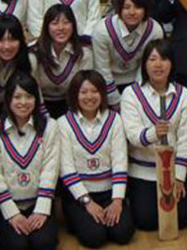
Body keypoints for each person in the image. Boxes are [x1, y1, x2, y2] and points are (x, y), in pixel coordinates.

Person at [120, 39, 187, 231]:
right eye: (152, 59)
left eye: (164, 59)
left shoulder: (184, 94)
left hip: (173, 169)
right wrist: (154, 133)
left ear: (172, 64)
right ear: (144, 64)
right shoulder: (131, 94)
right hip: (143, 169)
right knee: (146, 222)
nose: (158, 64)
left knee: (183, 219)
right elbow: (133, 135)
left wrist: (179, 177)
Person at [58, 70, 135, 248]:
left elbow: (120, 162)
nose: (89, 97)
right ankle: (76, 218)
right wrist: (87, 202)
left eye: (95, 91)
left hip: (109, 192)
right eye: (83, 92)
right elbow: (66, 168)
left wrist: (117, 200)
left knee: (123, 233)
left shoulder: (115, 120)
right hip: (80, 196)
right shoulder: (63, 123)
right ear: (74, 94)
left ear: (102, 93)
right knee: (94, 238)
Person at [0, 73, 59, 250]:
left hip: (38, 202)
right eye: (17, 97)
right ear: (8, 99)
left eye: (29, 96)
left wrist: (41, 209)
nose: (23, 102)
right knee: (17, 246)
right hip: (7, 204)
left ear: (36, 99)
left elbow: (50, 169)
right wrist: (12, 214)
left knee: (44, 243)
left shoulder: (50, 126)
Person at [92, 0, 164, 108]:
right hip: (107, 84)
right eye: (126, 7)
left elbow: (146, 66)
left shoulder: (155, 30)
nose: (132, 12)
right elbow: (102, 69)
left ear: (146, 9)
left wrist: (135, 96)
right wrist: (115, 102)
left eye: (138, 7)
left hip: (138, 82)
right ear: (118, 9)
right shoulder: (102, 30)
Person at [33, 4, 93, 119]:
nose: (61, 28)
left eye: (66, 22)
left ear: (73, 25)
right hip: (39, 105)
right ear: (46, 27)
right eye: (55, 23)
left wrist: (70, 117)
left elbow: (83, 87)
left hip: (72, 104)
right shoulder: (34, 53)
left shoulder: (84, 53)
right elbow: (32, 89)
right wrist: (44, 115)